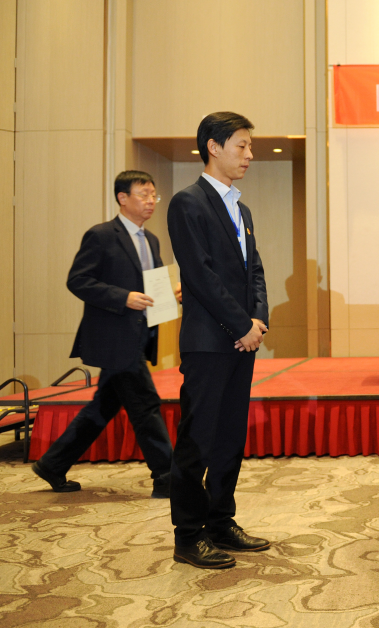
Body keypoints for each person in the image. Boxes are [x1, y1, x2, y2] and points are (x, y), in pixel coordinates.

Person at [167, 112, 270, 569]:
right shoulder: (187, 203)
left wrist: (258, 319)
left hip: (242, 338)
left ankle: (220, 521)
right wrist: (240, 325)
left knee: (230, 436)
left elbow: (255, 271)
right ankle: (188, 535)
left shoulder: (241, 209)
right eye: (241, 146)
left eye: (249, 147)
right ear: (213, 146)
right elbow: (200, 276)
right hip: (209, 341)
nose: (249, 155)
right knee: (198, 440)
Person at [31, 170, 174, 498]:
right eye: (143, 194)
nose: (151, 201)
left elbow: (149, 287)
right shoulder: (101, 235)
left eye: (154, 195)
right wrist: (123, 297)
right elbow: (78, 280)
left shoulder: (151, 240)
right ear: (122, 198)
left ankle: (53, 463)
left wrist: (169, 294)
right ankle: (167, 477)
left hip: (139, 337)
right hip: (114, 339)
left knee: (103, 406)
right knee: (146, 405)